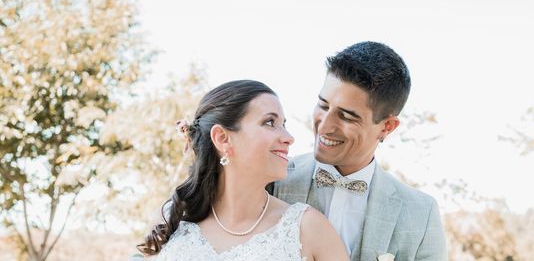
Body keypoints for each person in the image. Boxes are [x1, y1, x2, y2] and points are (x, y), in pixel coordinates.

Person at [272, 42, 447, 261]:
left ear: (387, 127)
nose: (324, 126)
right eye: (324, 106)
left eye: (346, 116)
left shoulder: (421, 214)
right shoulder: (272, 179)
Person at [138, 80, 349, 260]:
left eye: (284, 124)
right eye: (269, 122)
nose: (288, 137)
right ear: (222, 138)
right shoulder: (168, 220)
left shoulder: (308, 229)